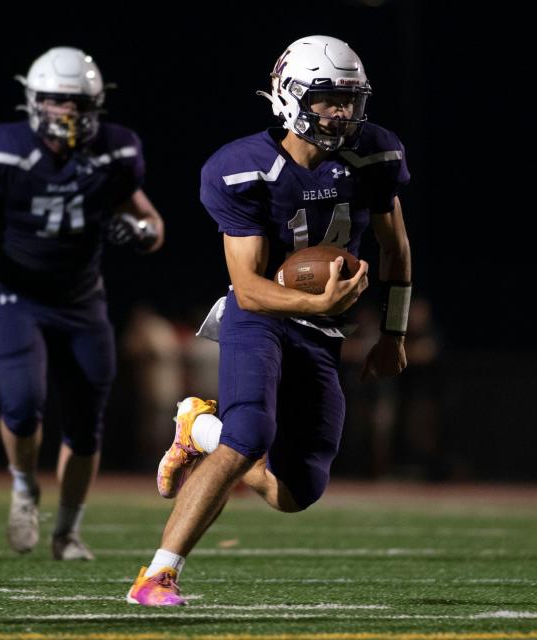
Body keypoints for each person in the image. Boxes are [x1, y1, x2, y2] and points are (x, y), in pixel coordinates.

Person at [126, 35, 412, 606]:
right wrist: (314, 303)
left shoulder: (376, 155)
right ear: (288, 96)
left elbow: (395, 248)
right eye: (328, 97)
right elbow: (251, 290)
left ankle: (197, 428)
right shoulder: (241, 168)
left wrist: (395, 331)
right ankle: (156, 576)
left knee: (295, 491)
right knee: (250, 433)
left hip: (322, 329)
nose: (342, 112)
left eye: (351, 100)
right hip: (260, 317)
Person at [0, 46, 164, 560]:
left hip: (82, 301)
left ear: (96, 104)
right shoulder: (3, 148)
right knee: (21, 405)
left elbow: (153, 224)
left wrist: (139, 231)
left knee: (85, 425)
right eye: (56, 101)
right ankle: (23, 488)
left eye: (77, 102)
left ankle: (68, 531)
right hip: (18, 297)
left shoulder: (115, 150)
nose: (67, 112)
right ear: (35, 102)